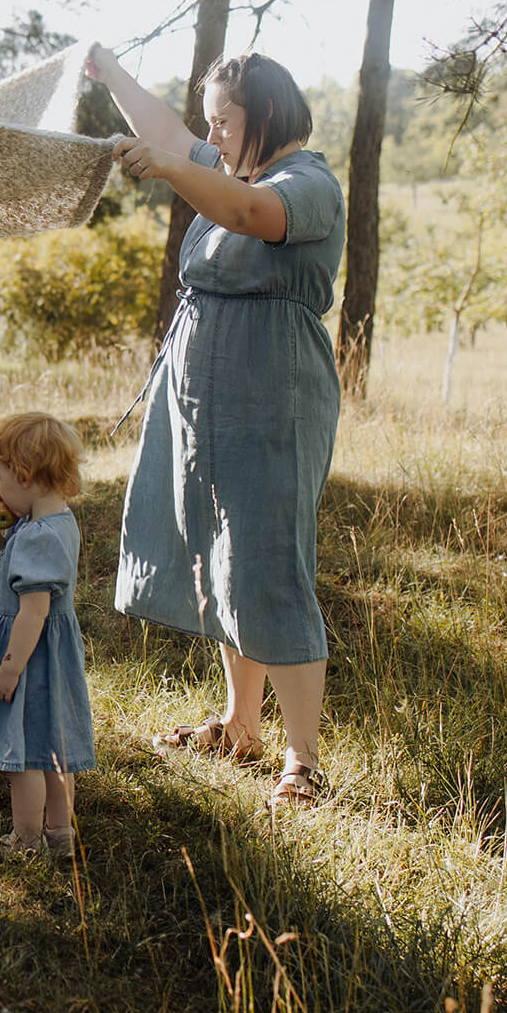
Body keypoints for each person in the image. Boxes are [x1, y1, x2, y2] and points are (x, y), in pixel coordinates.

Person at [84, 44, 345, 810]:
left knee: (269, 561)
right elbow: (168, 133)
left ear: (267, 114)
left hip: (273, 395)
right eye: (211, 123)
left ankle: (304, 763)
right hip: (204, 396)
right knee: (223, 556)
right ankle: (241, 725)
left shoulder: (306, 183)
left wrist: (171, 169)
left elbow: (248, 215)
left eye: (225, 121)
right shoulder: (229, 166)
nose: (213, 136)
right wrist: (109, 72)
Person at [0, 412, 95, 859]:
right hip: (50, 654)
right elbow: (2, 567)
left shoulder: (37, 536)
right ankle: (60, 834)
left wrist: (10, 667)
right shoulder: (52, 524)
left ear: (25, 475)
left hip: (28, 655)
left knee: (26, 754)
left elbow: (34, 611)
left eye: (1, 479)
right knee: (53, 749)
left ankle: (26, 839)